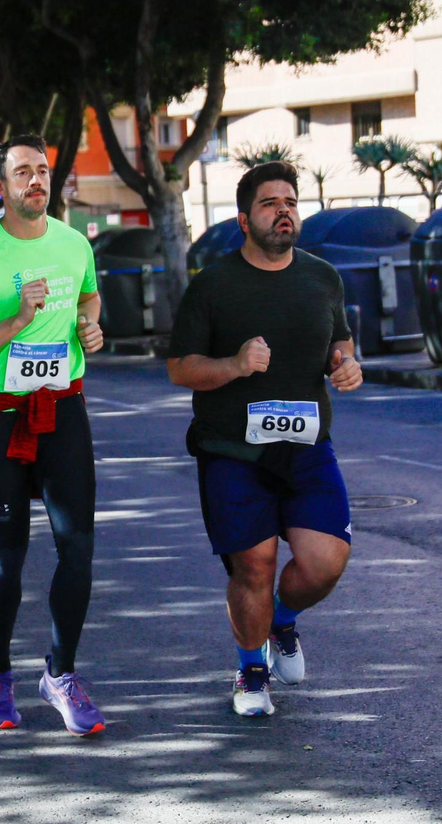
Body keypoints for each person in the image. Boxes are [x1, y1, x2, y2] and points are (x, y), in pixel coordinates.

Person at [165, 161, 364, 718]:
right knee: (254, 565)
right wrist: (233, 364)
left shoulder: (323, 277)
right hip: (233, 449)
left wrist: (346, 366)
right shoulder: (213, 284)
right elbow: (180, 368)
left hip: (307, 447)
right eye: (270, 203)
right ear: (243, 219)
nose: (283, 212)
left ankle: (281, 619)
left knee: (325, 563)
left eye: (290, 203)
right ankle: (251, 670)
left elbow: (341, 344)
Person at [0, 133, 108, 737]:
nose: (36, 180)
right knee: (8, 555)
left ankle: (60, 674)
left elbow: (89, 301)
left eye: (43, 170)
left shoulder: (73, 243)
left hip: (61, 408)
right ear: (0, 185)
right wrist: (15, 322)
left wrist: (88, 328)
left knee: (78, 547)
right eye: (22, 172)